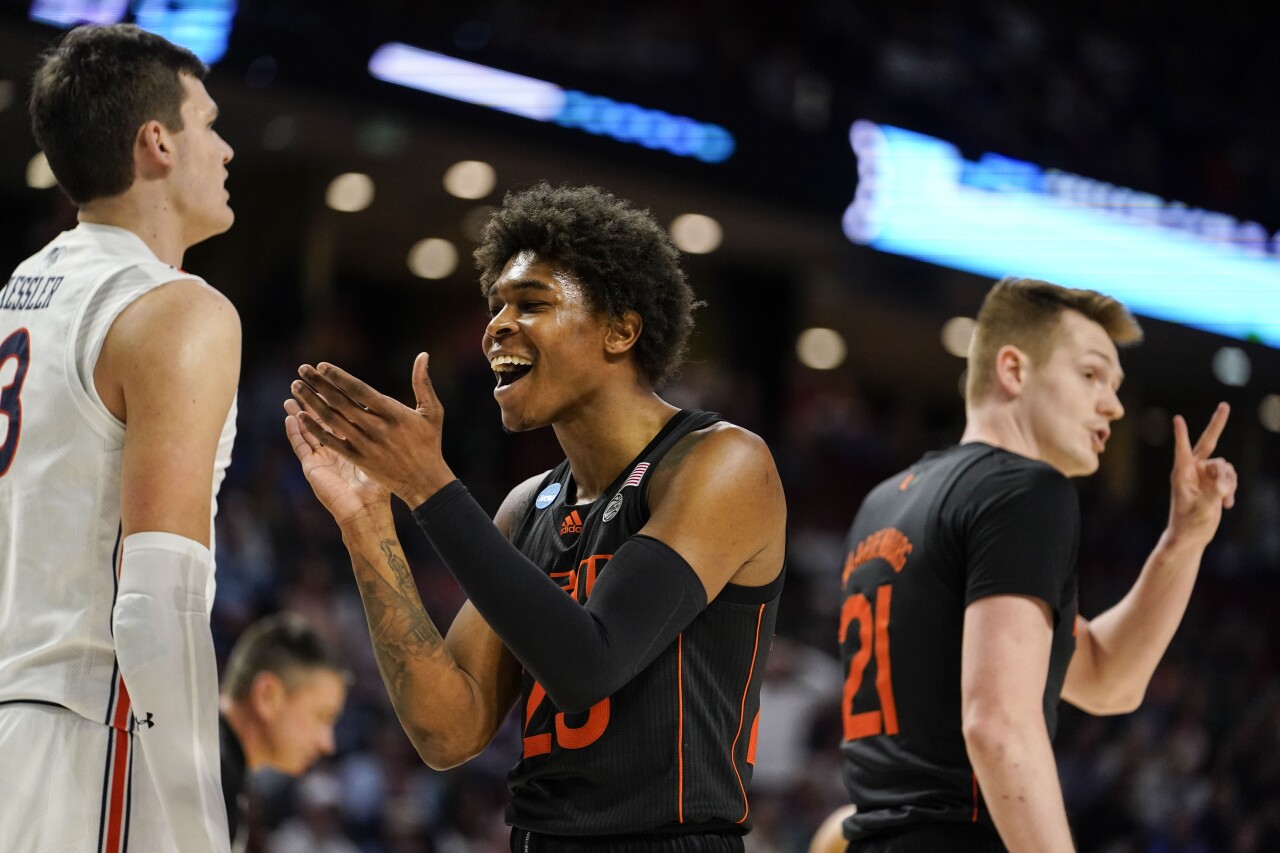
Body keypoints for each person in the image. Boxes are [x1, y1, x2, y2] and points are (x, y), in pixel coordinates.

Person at [284, 183, 787, 851]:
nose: (496, 325)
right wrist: (368, 519)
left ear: (621, 328)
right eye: (495, 307)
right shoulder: (529, 506)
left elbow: (587, 665)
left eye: (532, 303)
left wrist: (430, 486)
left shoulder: (723, 462)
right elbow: (448, 730)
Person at [822, 277, 1237, 852]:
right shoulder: (1024, 489)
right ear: (1014, 370)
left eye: (1117, 386)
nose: (1114, 404)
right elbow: (998, 724)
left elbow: (1103, 679)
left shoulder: (886, 501)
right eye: (1091, 375)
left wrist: (1183, 540)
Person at [0, 23, 238, 853]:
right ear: (158, 142)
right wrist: (204, 828)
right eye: (209, 123)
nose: (227, 149)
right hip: (88, 734)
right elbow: (155, 601)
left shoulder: (19, 294)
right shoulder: (178, 309)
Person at [219, 613, 350, 852]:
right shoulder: (210, 776)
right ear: (267, 696)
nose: (327, 743)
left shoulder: (223, 772)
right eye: (321, 716)